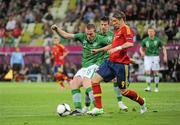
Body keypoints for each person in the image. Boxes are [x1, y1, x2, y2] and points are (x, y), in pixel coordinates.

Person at [87, 11, 147, 115]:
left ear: (121, 19)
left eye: (114, 21)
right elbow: (112, 45)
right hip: (110, 62)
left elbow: (129, 43)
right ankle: (99, 108)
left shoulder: (126, 29)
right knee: (94, 80)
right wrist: (98, 50)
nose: (113, 23)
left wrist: (116, 49)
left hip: (121, 65)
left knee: (123, 91)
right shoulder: (117, 31)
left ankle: (142, 102)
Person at [51, 23, 111, 115]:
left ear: (95, 32)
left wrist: (102, 51)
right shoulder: (82, 37)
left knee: (86, 82)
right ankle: (78, 110)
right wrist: (56, 29)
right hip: (85, 67)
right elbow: (66, 35)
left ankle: (98, 108)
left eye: (91, 34)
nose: (89, 36)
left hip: (95, 65)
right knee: (74, 83)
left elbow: (113, 44)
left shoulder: (101, 39)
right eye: (87, 33)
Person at [84, 16, 128, 112]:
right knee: (89, 82)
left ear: (109, 25)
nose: (103, 26)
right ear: (99, 25)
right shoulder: (94, 34)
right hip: (96, 62)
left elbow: (117, 46)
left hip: (109, 62)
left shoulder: (113, 35)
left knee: (116, 80)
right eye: (102, 24)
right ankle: (87, 106)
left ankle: (120, 102)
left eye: (105, 24)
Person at [140, 27, 167, 92]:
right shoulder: (145, 40)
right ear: (148, 32)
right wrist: (142, 52)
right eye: (149, 31)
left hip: (155, 57)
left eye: (152, 31)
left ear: (154, 32)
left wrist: (165, 56)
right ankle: (149, 87)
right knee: (147, 71)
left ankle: (156, 87)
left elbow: (163, 48)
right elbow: (141, 48)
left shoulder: (158, 40)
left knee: (155, 72)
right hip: (147, 57)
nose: (150, 33)